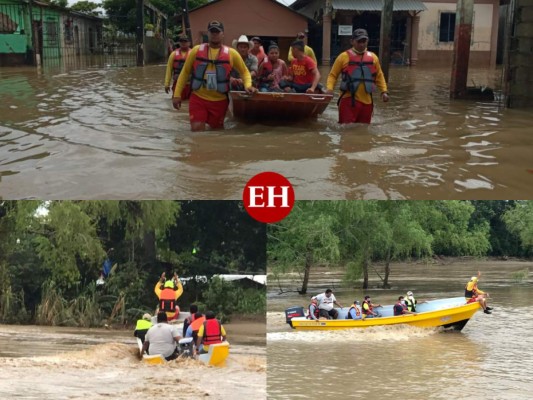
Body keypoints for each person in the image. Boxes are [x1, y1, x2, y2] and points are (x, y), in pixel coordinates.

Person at [172, 20, 257, 131]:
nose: (214, 34)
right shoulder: (196, 51)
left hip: (220, 101)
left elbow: (245, 72)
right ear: (208, 33)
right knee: (197, 129)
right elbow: (184, 73)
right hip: (198, 98)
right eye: (212, 31)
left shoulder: (232, 53)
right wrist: (177, 95)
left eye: (217, 32)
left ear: (223, 34)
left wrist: (248, 85)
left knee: (217, 131)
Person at [326, 28, 389, 124]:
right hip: (348, 100)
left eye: (364, 41)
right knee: (346, 131)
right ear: (352, 41)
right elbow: (333, 75)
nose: (362, 44)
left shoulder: (373, 58)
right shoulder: (343, 57)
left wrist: (384, 91)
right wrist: (329, 89)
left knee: (364, 131)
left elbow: (379, 76)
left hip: (367, 102)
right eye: (359, 41)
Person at [164, 34, 192, 98]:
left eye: (185, 41)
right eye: (182, 41)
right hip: (177, 84)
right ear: (179, 43)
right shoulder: (173, 54)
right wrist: (167, 84)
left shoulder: (193, 53)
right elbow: (169, 70)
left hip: (190, 84)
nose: (183, 43)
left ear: (189, 43)